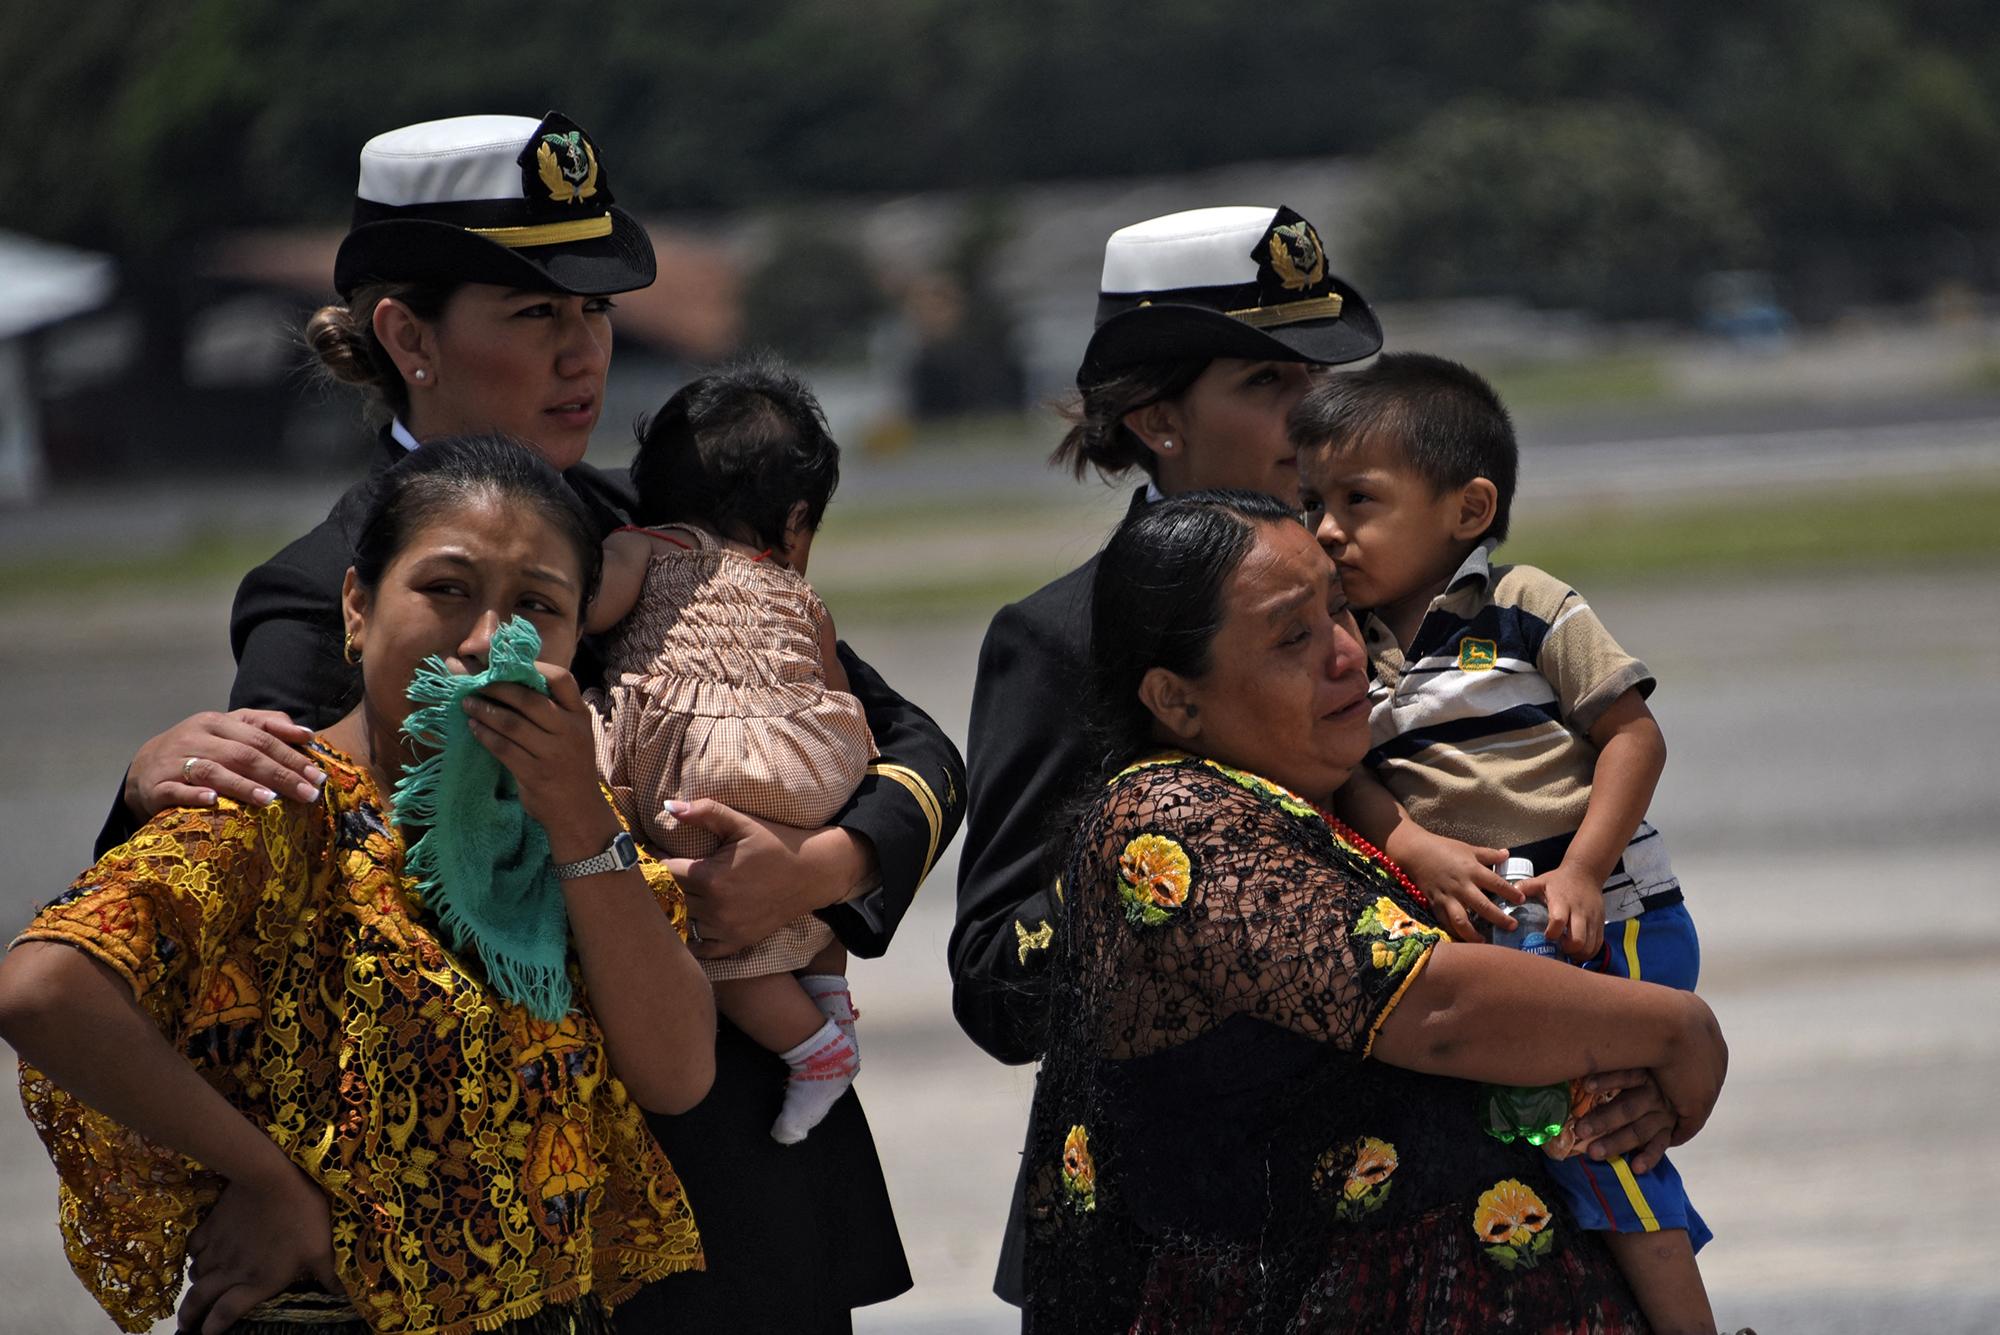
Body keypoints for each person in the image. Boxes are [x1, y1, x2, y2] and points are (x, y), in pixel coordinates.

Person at [91, 112, 963, 1332]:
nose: (582, 353)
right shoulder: (325, 586)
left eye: (595, 313)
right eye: (535, 314)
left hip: (746, 1189)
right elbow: (270, 887)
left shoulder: (660, 533)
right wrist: (146, 780)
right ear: (408, 336)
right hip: (538, 1229)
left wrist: (813, 868)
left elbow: (914, 744)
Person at [0, 436, 716, 1335]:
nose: (489, 637)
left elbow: (679, 1072)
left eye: (538, 605)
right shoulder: (278, 799)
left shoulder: (559, 830)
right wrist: (267, 1178)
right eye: (446, 588)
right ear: (357, 605)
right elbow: (44, 988)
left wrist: (578, 819)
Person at [1024, 490, 1729, 1333]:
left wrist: (1617, 1097)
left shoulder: (1364, 796)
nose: (1349, 654)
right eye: (1294, 636)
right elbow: (1438, 1007)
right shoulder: (1165, 819)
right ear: (1175, 700)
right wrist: (1681, 1032)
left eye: (1341, 610)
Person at [1293, 353, 1715, 1331]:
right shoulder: (1339, 637)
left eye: (1357, 500)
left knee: (1615, 1153)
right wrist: (1411, 843)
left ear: (1467, 509)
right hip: (1497, 938)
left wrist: (1578, 867)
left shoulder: (1526, 604)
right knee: (1546, 1161)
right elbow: (1344, 772)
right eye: (1312, 500)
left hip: (1610, 916)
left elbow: (1631, 734)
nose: (1324, 529)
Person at [953, 205, 1383, 1071]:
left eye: (1319, 376)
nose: (1315, 416)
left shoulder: (1400, 588)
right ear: (1157, 422)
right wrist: (1158, 850)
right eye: (1268, 381)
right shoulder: (1061, 635)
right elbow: (995, 987)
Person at [588, 360, 870, 1146]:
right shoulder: (796, 591)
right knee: (806, 879)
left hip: (701, 762)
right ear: (794, 520)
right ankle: (828, 992)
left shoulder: (644, 545)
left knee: (708, 926)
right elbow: (833, 681)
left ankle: (817, 1051)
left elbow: (593, 607)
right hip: (809, 751)